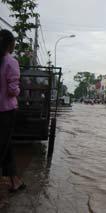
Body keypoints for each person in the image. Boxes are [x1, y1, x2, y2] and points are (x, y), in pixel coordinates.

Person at [0, 29, 26, 194]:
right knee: (3, 147)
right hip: (6, 111)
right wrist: (18, 91)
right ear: (10, 44)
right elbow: (12, 90)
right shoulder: (11, 62)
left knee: (6, 146)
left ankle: (15, 181)